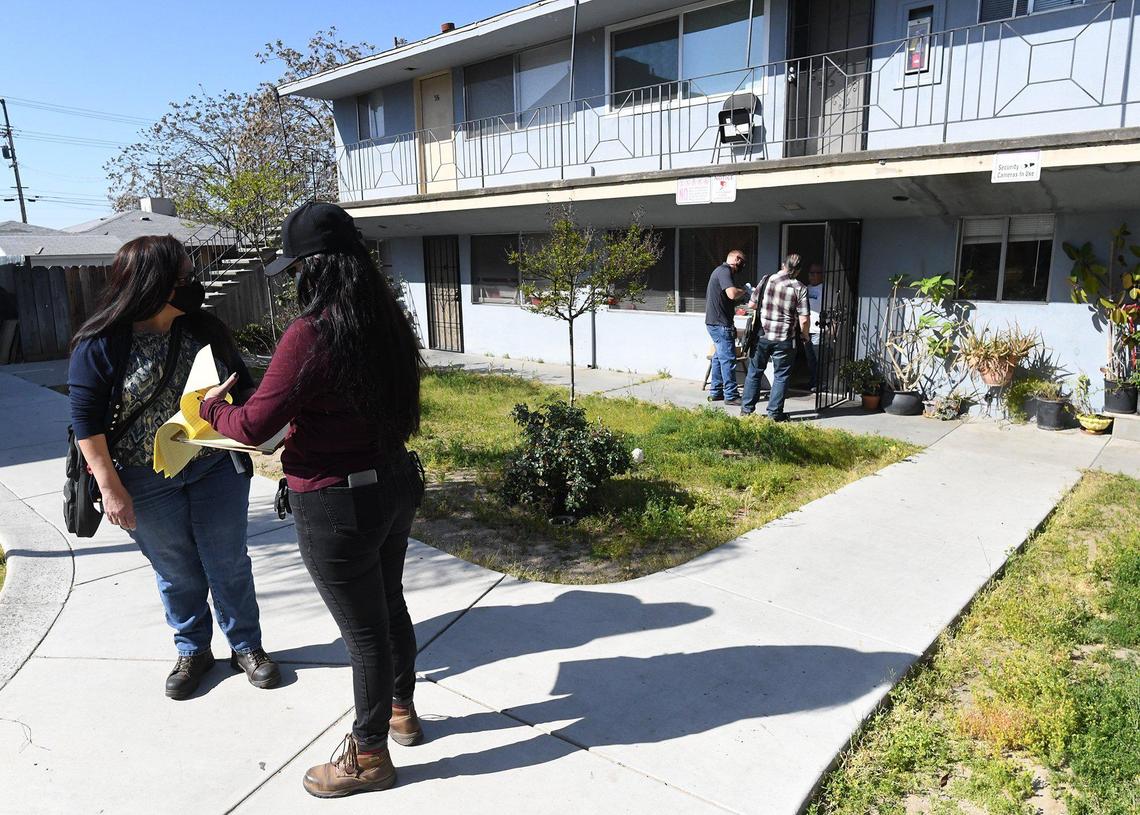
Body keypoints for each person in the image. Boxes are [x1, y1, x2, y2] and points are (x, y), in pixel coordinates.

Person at [200, 202, 426, 799]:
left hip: (337, 503)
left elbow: (251, 427)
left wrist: (209, 409)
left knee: (364, 634)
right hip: (395, 481)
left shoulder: (312, 332)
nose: (293, 279)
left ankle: (369, 753)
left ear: (315, 270)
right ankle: (401, 710)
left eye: (296, 267)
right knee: (389, 605)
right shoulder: (389, 321)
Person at [68, 235, 280, 700]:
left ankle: (247, 647)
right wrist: (110, 488)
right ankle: (193, 650)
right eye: (183, 277)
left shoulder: (205, 329)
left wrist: (240, 410)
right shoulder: (101, 344)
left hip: (213, 468)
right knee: (176, 569)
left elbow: (243, 389)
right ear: (153, 283)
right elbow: (86, 422)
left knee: (228, 562)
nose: (193, 284)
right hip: (143, 479)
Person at [741, 253, 811, 421]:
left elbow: (751, 305)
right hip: (785, 339)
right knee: (781, 376)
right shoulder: (799, 288)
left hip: (762, 336)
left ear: (782, 264)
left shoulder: (766, 280)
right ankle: (774, 414)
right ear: (798, 270)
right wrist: (805, 335)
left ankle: (746, 411)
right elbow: (804, 319)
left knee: (755, 372)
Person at [704, 249, 748, 406]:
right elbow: (731, 294)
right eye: (742, 261)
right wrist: (745, 290)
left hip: (716, 322)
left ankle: (716, 392)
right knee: (728, 359)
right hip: (720, 324)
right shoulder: (724, 271)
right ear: (736, 259)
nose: (743, 265)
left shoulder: (720, 271)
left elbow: (726, 301)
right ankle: (731, 395)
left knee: (718, 357)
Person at [805, 263, 824, 392]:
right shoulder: (806, 288)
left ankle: (820, 383)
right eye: (811, 273)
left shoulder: (826, 290)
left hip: (819, 329)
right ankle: (813, 381)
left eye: (815, 273)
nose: (812, 276)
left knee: (819, 359)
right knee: (810, 359)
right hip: (806, 329)